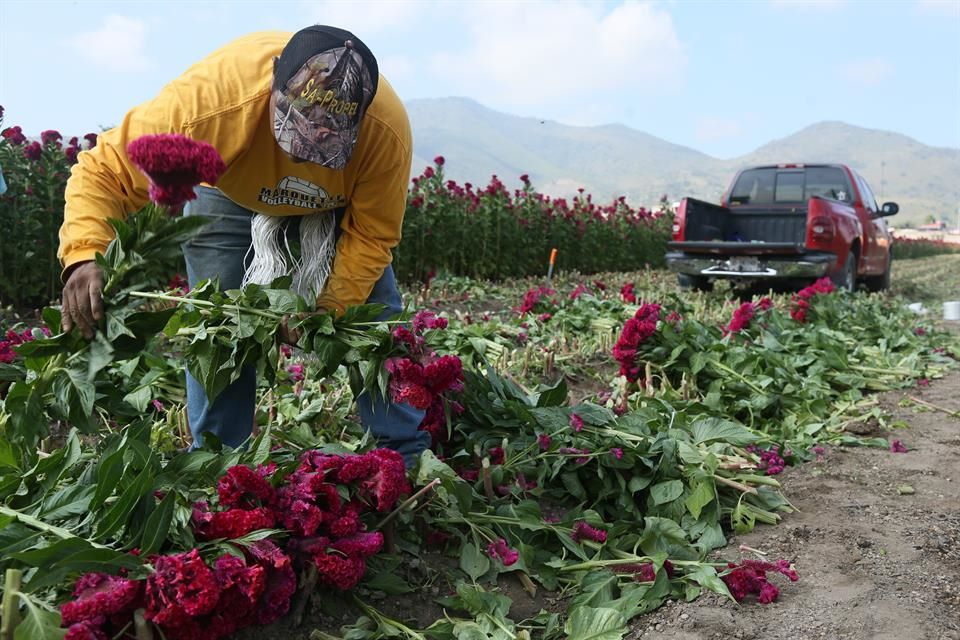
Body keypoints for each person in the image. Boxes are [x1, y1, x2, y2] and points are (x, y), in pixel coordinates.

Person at [57, 26, 431, 465]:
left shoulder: (383, 132)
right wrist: (85, 253)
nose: (307, 147)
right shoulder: (212, 104)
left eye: (327, 137)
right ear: (273, 84)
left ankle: (404, 455)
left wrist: (328, 310)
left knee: (372, 321)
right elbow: (107, 170)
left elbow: (372, 234)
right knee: (219, 320)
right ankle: (217, 461)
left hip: (331, 204)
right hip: (226, 188)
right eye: (297, 123)